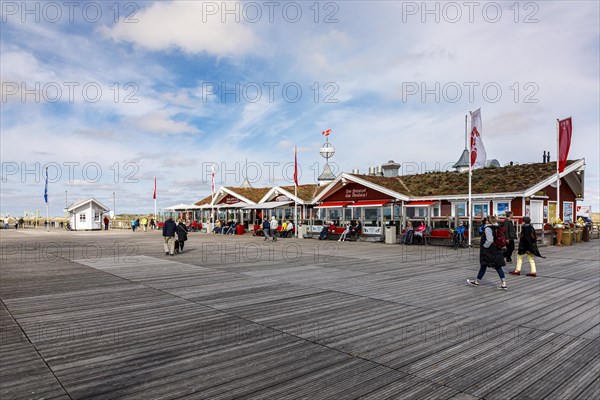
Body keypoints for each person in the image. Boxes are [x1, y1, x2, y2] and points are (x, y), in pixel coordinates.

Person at [467, 215, 508, 290]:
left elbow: (490, 240)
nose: (485, 221)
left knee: (484, 265)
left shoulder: (488, 228)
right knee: (498, 266)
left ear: (488, 221)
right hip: (497, 249)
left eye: (486, 220)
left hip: (489, 250)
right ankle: (503, 283)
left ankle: (477, 281)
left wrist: (485, 246)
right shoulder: (497, 227)